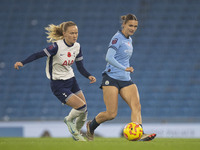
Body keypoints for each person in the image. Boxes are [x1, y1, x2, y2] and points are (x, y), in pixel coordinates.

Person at [14, 21, 96, 141]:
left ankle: (76, 133)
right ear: (64, 33)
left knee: (84, 110)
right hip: (59, 84)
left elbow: (80, 66)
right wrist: (22, 62)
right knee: (81, 107)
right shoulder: (56, 47)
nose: (75, 35)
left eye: (76, 33)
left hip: (71, 80)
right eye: (72, 33)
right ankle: (69, 121)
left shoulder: (77, 46)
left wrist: (88, 76)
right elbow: (38, 55)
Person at [86, 14, 156, 141]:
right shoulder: (117, 38)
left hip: (125, 79)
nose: (133, 28)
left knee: (136, 106)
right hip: (111, 78)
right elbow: (109, 57)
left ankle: (139, 133)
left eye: (135, 26)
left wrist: (126, 70)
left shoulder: (129, 39)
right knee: (111, 114)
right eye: (130, 25)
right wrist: (124, 68)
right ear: (123, 24)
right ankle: (91, 126)